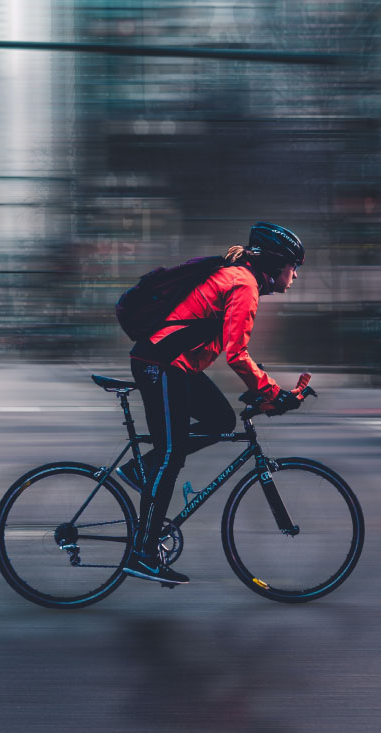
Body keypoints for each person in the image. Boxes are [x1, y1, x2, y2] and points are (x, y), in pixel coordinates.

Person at [119, 221, 306, 586]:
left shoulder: (241, 279)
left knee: (221, 420)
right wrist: (270, 392)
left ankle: (144, 470)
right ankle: (143, 553)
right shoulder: (244, 284)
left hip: (175, 364)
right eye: (294, 266)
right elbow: (237, 354)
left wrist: (264, 389)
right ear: (276, 263)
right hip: (160, 363)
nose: (295, 275)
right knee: (171, 456)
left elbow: (231, 348)